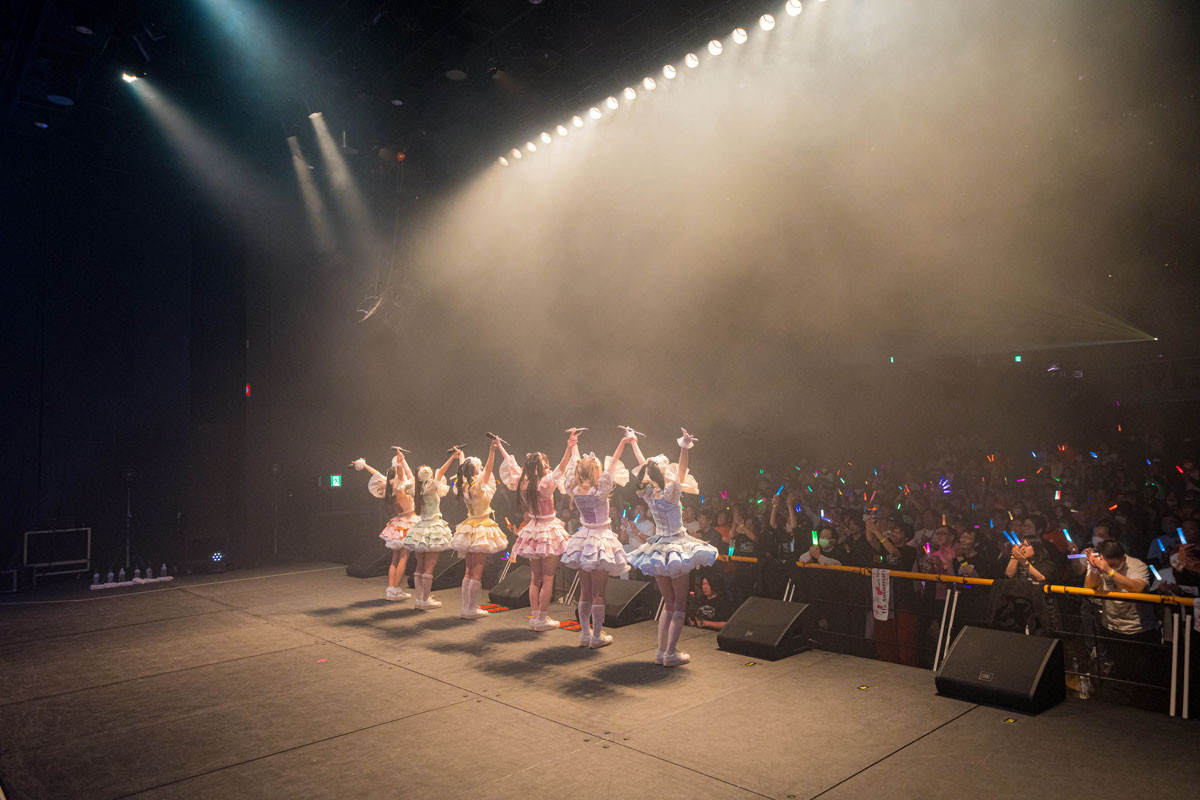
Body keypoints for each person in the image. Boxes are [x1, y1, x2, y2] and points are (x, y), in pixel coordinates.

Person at [628, 428, 717, 666]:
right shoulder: (670, 491)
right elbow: (682, 470)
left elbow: (644, 466)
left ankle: (661, 651)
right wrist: (684, 447)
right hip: (675, 547)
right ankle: (670, 652)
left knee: (668, 602)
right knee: (679, 603)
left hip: (659, 549)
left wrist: (634, 443)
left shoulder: (647, 492)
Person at [562, 432, 634, 648]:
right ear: (594, 471)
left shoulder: (575, 488)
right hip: (600, 539)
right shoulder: (599, 490)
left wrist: (574, 446)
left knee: (584, 592)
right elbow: (612, 464)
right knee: (598, 593)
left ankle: (585, 634)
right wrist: (622, 442)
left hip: (583, 539)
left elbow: (575, 463)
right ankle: (596, 637)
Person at [498, 432, 576, 631]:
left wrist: (500, 446)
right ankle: (542, 618)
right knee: (548, 577)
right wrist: (569, 447)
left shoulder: (523, 482)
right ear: (540, 467)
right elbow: (561, 467)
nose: (548, 466)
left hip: (533, 529)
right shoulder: (544, 484)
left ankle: (535, 617)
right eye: (545, 464)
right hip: (547, 530)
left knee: (535, 578)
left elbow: (512, 464)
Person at [449, 438, 507, 620]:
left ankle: (466, 607)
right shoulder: (478, 484)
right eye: (477, 466)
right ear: (474, 469)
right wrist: (492, 451)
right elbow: (489, 468)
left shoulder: (463, 484)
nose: (480, 467)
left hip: (469, 527)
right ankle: (471, 608)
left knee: (468, 570)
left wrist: (461, 456)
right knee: (477, 570)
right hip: (481, 527)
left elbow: (463, 469)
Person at [352, 450, 416, 601]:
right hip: (407, 525)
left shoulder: (389, 490)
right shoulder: (400, 488)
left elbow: (377, 474)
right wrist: (399, 461)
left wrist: (364, 465)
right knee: (403, 557)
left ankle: (391, 589)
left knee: (395, 558)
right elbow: (405, 474)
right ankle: (396, 590)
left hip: (397, 524)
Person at [404, 448, 461, 610]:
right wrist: (453, 457)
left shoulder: (415, 488)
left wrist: (402, 461)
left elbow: (409, 474)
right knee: (429, 565)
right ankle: (425, 599)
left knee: (419, 566)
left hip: (420, 528)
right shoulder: (430, 487)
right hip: (433, 527)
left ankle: (419, 599)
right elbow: (441, 471)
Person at [1084, 541, 1159, 642]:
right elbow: (1091, 585)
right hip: (1111, 626)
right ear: (1102, 558)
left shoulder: (1137, 565)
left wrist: (1109, 570)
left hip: (1139, 628)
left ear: (1123, 558)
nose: (1112, 567)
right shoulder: (1099, 563)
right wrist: (1094, 569)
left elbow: (1137, 588)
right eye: (1109, 564)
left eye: (1114, 564)